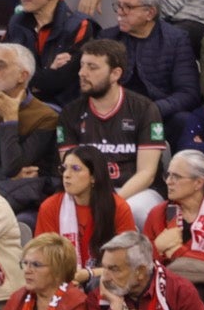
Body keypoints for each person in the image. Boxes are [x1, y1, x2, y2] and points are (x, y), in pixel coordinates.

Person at [56, 38, 166, 221]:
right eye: (82, 65)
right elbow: (71, 170)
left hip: (137, 190)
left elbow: (146, 173)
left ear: (115, 74)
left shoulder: (144, 108)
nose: (82, 73)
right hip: (88, 189)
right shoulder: (70, 113)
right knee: (61, 210)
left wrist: (113, 200)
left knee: (133, 210)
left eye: (92, 67)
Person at [96, 0, 204, 142]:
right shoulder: (107, 38)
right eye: (118, 6)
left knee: (183, 120)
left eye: (128, 7)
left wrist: (153, 109)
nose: (120, 12)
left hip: (158, 114)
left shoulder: (175, 40)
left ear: (150, 13)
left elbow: (188, 93)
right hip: (115, 112)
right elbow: (93, 83)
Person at [0, 44, 60, 217]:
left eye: (1, 65)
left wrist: (10, 119)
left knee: (21, 221)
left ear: (22, 76)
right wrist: (7, 177)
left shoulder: (46, 117)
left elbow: (12, 167)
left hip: (27, 202)